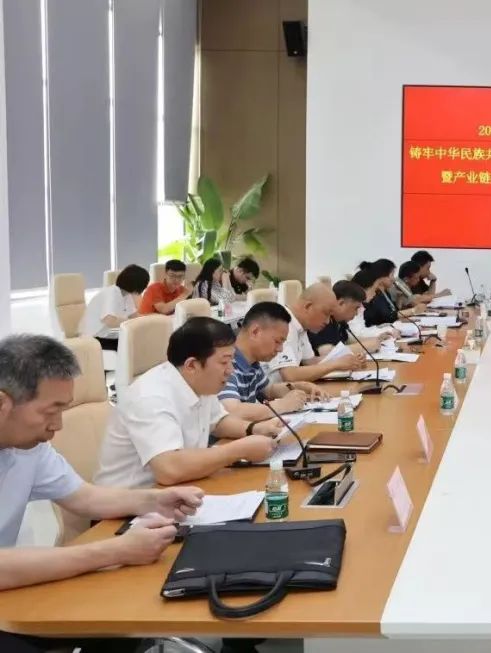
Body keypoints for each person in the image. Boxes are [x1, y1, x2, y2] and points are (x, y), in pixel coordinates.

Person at [0, 334, 204, 653]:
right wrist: (117, 551)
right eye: (50, 411)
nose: (58, 425)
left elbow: (84, 497)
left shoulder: (27, 447)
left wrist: (153, 500)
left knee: (118, 618)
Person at [93, 317, 283, 489]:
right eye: (224, 362)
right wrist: (238, 451)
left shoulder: (200, 381)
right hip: (131, 505)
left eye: (232, 361)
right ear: (191, 365)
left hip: (178, 491)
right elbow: (169, 469)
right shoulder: (151, 397)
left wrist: (253, 429)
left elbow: (218, 422)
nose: (231, 370)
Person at [219, 302, 325, 421]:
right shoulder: (225, 362)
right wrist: (282, 405)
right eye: (277, 341)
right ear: (255, 332)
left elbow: (268, 391)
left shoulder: (252, 362)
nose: (280, 349)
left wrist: (299, 387)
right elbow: (231, 411)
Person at [266, 283, 367, 384]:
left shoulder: (301, 326)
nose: (327, 321)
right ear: (308, 306)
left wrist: (347, 360)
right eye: (326, 313)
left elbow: (310, 362)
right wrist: (336, 365)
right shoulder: (282, 323)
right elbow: (290, 375)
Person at [78, 264, 150, 351]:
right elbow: (109, 320)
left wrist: (149, 321)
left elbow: (134, 316)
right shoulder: (111, 293)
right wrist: (131, 322)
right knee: (131, 344)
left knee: (140, 338)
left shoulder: (126, 295)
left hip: (106, 334)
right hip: (93, 337)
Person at [308, 280, 385, 355]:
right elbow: (326, 352)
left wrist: (376, 339)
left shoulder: (340, 321)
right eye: (356, 308)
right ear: (341, 303)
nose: (356, 313)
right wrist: (365, 347)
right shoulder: (323, 319)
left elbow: (346, 341)